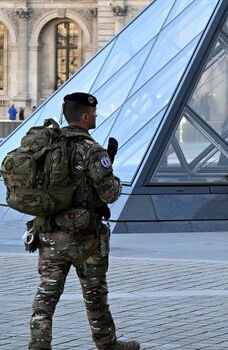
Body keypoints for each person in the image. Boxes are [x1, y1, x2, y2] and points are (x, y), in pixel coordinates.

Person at [28, 92, 139, 350]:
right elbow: (109, 194)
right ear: (86, 115)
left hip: (50, 232)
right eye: (95, 113)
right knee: (95, 294)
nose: (96, 116)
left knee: (46, 295)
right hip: (84, 237)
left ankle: (38, 345)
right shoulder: (92, 150)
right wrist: (114, 181)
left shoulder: (48, 146)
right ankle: (107, 344)